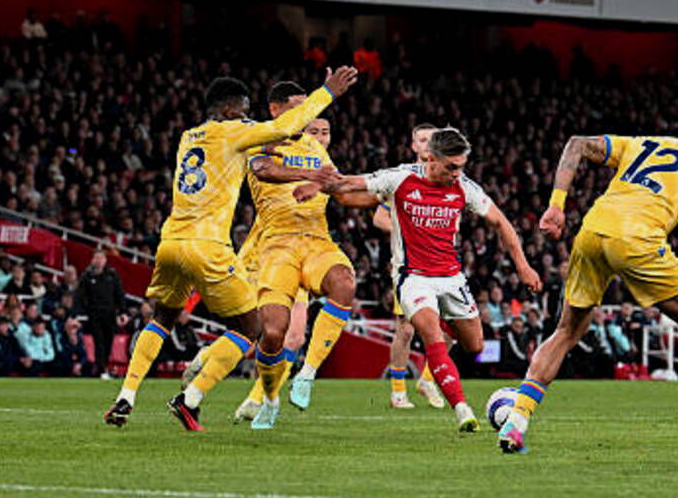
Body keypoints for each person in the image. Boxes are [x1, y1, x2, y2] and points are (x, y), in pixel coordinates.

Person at [499, 109, 678, 455]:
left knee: (567, 331)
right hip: (636, 239)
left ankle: (517, 421)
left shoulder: (644, 143)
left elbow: (577, 144)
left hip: (592, 230)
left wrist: (557, 205)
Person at [103, 66, 358, 431]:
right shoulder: (235, 132)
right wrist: (327, 92)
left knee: (162, 317)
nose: (245, 115)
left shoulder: (189, 136)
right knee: (252, 328)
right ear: (226, 110)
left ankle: (126, 396)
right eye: (242, 109)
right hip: (208, 246)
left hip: (171, 241)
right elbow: (283, 128)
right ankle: (191, 398)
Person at [318, 126, 542, 432]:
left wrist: (524, 267)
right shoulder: (401, 177)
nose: (457, 173)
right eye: (451, 167)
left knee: (475, 346)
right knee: (431, 336)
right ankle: (462, 409)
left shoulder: (464, 187)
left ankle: (442, 343)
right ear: (431, 159)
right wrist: (317, 184)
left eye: (461, 167)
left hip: (452, 278)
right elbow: (349, 183)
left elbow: (501, 222)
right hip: (413, 278)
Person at [215, 86, 359, 430]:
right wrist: (310, 177)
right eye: (300, 110)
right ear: (277, 110)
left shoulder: (317, 151)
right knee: (273, 333)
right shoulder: (260, 139)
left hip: (316, 244)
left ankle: (303, 376)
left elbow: (340, 190)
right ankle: (266, 398)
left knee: (337, 290)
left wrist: (387, 190)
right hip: (276, 248)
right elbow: (263, 170)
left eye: (311, 113)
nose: (308, 118)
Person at [375, 123, 445, 410]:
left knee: (450, 326)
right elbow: (379, 218)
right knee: (406, 328)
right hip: (408, 264)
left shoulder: (447, 175)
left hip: (441, 261)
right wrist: (407, 235)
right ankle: (398, 391)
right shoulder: (402, 176)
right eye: (423, 140)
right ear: (414, 146)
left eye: (434, 140)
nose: (428, 145)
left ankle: (428, 380)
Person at [77, 250, 125, 380]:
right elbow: (80, 296)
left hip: (109, 313)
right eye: (96, 258)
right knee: (99, 341)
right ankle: (101, 369)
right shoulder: (87, 276)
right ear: (92, 260)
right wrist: (79, 313)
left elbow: (119, 294)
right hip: (94, 314)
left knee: (108, 340)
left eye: (101, 258)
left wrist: (122, 311)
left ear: (105, 260)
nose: (98, 261)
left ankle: (104, 367)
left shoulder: (112, 275)